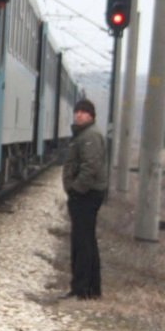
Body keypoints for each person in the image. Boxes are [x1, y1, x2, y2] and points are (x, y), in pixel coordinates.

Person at [62, 97, 107, 300]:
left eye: (84, 112)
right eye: (77, 111)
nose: (79, 114)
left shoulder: (90, 136)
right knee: (86, 240)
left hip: (86, 195)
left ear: (91, 116)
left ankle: (82, 288)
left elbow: (91, 166)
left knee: (83, 242)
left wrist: (76, 189)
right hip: (87, 194)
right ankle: (90, 288)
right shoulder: (86, 134)